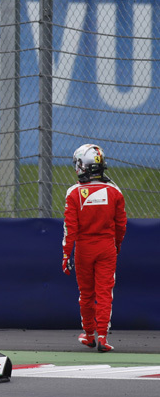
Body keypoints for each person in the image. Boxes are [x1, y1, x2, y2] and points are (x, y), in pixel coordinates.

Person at [62, 144, 126, 352]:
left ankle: (89, 335)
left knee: (86, 294)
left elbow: (69, 228)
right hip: (107, 247)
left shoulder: (74, 192)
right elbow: (121, 225)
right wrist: (116, 245)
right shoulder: (115, 191)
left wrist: (65, 254)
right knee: (105, 292)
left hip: (84, 249)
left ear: (83, 166)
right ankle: (103, 338)